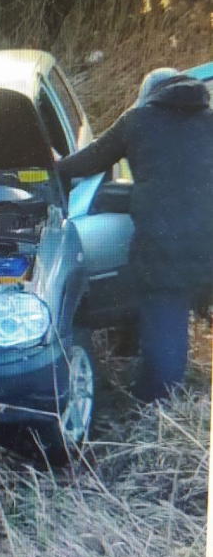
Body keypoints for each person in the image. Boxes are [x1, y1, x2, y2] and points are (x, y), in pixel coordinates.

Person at [55, 68, 213, 402]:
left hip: (163, 251)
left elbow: (86, 163)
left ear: (149, 95)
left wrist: (52, 166)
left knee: (167, 336)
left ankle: (158, 402)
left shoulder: (137, 121)